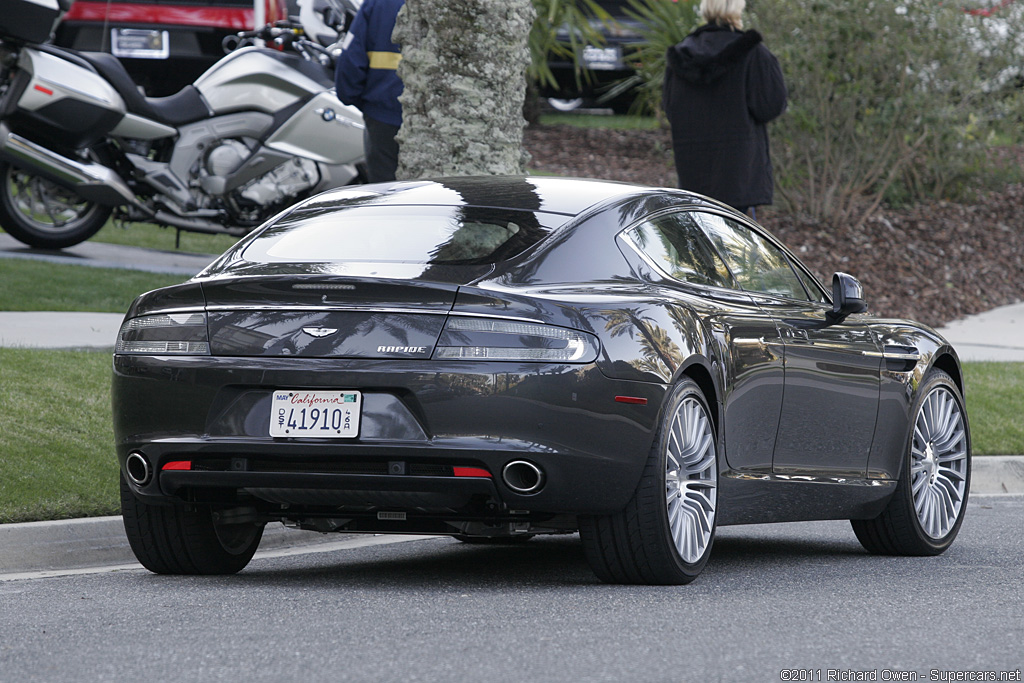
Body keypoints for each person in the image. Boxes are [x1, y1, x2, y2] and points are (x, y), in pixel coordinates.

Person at [663, 0, 787, 217]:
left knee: (697, 246)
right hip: (739, 177)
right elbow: (770, 106)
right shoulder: (753, 54)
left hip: (694, 175)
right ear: (738, 8)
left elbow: (671, 109)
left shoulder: (682, 55)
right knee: (737, 247)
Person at [334, 0, 405, 183]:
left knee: (387, 196)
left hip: (384, 119)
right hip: (438, 121)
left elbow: (351, 60)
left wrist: (359, 101)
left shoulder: (378, 4)